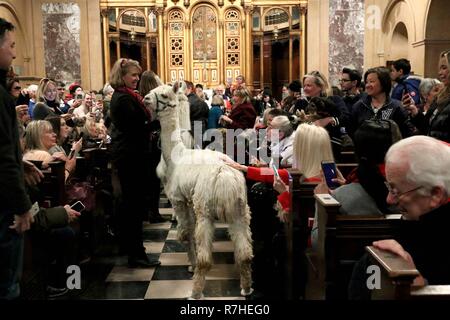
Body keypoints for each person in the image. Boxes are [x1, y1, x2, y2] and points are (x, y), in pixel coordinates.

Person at [349, 136, 450, 299]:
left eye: (396, 191)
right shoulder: (412, 227)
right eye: (389, 187)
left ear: (435, 195)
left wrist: (418, 289)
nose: (389, 199)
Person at [109, 58, 161, 268]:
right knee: (133, 206)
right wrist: (157, 122)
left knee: (134, 206)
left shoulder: (128, 96)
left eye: (138, 75)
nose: (137, 79)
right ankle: (136, 254)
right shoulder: (123, 99)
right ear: (122, 77)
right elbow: (135, 129)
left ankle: (135, 250)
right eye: (133, 75)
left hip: (133, 155)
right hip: (130, 157)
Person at [0, 17, 38, 300]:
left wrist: (19, 160)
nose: (14, 53)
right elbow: (2, 157)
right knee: (7, 286)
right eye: (11, 45)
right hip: (4, 208)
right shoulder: (1, 96)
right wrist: (23, 207)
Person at [138, 70, 166, 223]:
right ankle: (153, 212)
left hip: (144, 144)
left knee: (146, 179)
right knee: (154, 179)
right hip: (152, 142)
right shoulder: (153, 99)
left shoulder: (139, 97)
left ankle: (146, 212)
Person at [406, 50, 450, 142]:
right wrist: (414, 111)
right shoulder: (441, 96)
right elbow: (426, 126)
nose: (440, 73)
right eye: (439, 69)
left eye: (444, 68)